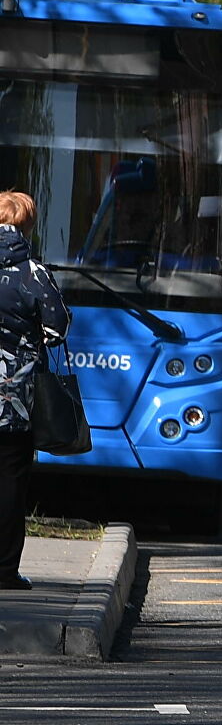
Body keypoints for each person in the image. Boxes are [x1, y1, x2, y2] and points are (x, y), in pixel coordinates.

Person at [0, 191, 70, 591]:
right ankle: (5, 570)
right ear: (26, 225)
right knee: (10, 482)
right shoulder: (33, 273)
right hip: (16, 399)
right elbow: (56, 327)